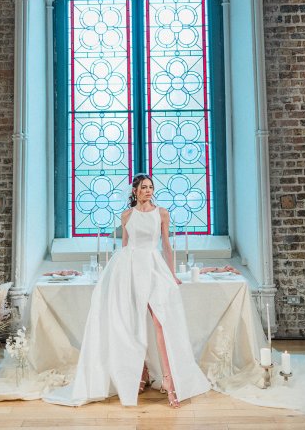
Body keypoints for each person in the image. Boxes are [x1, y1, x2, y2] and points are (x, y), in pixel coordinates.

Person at [43, 173, 210, 408]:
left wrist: (171, 275)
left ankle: (170, 381)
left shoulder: (161, 213)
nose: (148, 191)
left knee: (161, 322)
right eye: (144, 187)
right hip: (128, 268)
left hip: (152, 267)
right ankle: (138, 374)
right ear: (135, 191)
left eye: (151, 187)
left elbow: (166, 245)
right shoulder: (127, 216)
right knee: (131, 322)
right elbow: (124, 247)